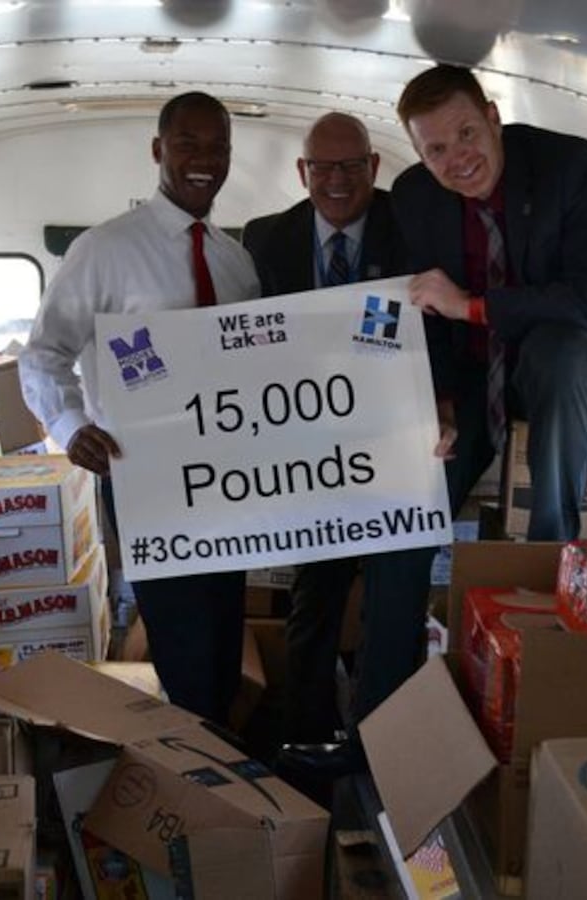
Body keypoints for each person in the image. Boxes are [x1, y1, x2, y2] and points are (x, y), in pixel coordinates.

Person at [18, 91, 260, 725]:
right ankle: (193, 777)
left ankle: (216, 771)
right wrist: (70, 428)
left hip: (230, 481)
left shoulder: (237, 264)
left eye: (217, 147)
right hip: (150, 479)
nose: (203, 160)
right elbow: (43, 354)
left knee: (221, 640)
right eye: (187, 144)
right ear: (158, 151)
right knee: (182, 648)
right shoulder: (104, 249)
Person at [392, 64, 587, 539]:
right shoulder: (415, 197)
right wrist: (439, 400)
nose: (458, 158)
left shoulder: (573, 168)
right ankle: (399, 607)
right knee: (414, 503)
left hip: (567, 374)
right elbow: (424, 312)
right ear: (419, 156)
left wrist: (473, 307)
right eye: (436, 150)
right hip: (473, 376)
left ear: (494, 117)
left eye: (467, 133)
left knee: (562, 349)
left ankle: (550, 549)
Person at [241, 113, 437, 757]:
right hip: (312, 451)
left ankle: (383, 744)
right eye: (322, 168)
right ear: (301, 172)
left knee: (393, 602)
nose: (336, 180)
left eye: (351, 166)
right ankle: (307, 740)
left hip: (397, 443)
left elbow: (445, 328)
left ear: (374, 167)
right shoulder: (265, 240)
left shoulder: (411, 227)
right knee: (315, 597)